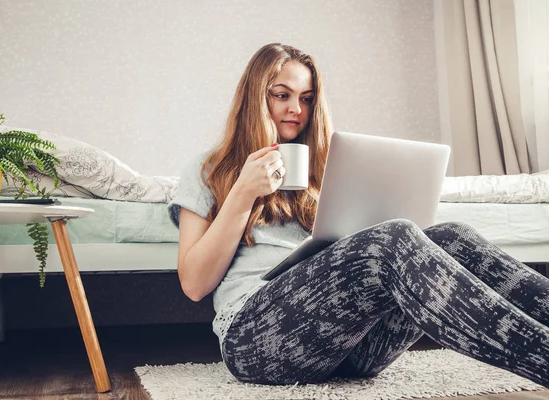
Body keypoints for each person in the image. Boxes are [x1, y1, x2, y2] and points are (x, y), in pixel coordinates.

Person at [167, 43, 549, 387]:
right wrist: (244, 192)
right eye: (282, 95)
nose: (296, 110)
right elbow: (195, 284)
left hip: (351, 348)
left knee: (451, 236)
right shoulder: (208, 169)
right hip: (256, 339)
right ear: (255, 97)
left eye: (307, 98)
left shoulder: (329, 168)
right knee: (395, 236)